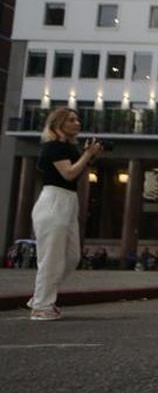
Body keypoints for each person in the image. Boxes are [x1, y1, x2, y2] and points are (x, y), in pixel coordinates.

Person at [28, 108, 104, 320]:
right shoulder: (52, 147)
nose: (77, 123)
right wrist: (87, 155)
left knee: (72, 257)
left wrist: (89, 157)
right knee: (51, 258)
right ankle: (42, 306)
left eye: (77, 119)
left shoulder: (68, 147)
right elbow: (68, 174)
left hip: (68, 201)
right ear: (58, 124)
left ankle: (40, 296)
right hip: (54, 201)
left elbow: (76, 169)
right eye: (71, 120)